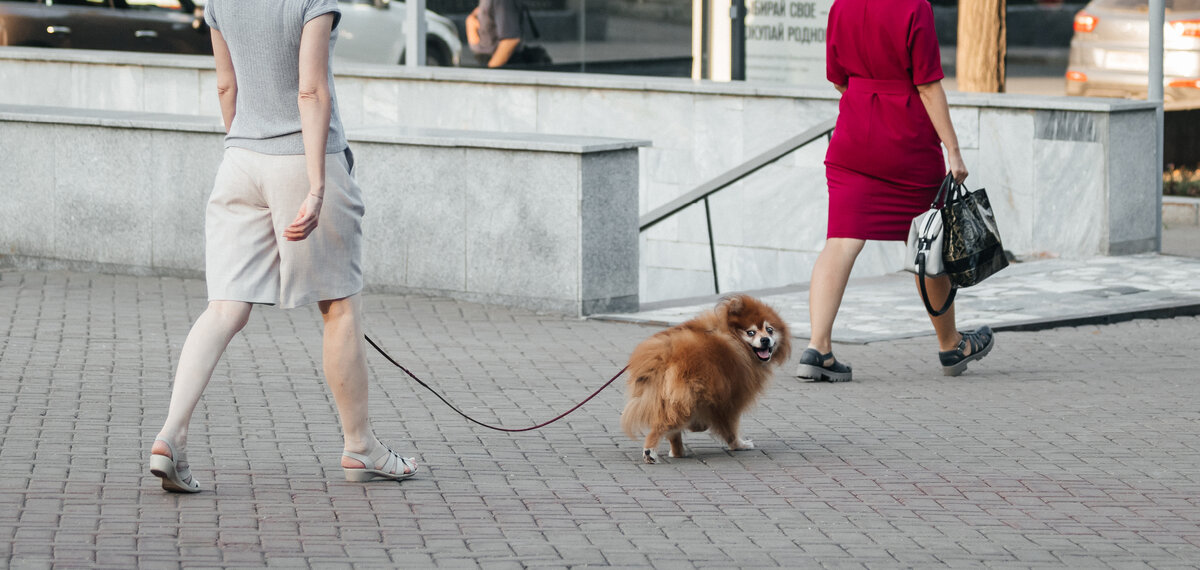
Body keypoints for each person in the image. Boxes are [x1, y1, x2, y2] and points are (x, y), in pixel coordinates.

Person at [148, 0, 417, 493]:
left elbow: (226, 86)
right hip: (304, 157)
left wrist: (247, 146)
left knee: (224, 308)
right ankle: (360, 447)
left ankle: (171, 436)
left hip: (240, 159)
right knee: (338, 307)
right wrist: (316, 186)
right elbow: (310, 90)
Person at [796, 0, 996, 383]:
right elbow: (927, 85)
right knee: (929, 241)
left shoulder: (841, 6)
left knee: (841, 241)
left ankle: (818, 348)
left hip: (853, 138)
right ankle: (951, 344)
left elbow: (838, 79)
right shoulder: (914, 7)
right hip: (906, 142)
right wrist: (953, 149)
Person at [466, 0, 522, 68]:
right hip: (485, 61)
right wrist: (470, 19)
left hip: (498, 63)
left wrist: (490, 71)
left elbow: (510, 41)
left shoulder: (502, 2)